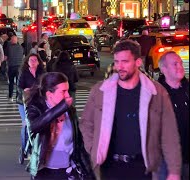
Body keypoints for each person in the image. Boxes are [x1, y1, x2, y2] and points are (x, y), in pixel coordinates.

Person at [79, 39, 182, 179]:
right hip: (110, 167)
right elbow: (86, 123)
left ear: (138, 62)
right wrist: (93, 149)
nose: (119, 66)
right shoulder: (100, 91)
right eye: (116, 61)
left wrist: (174, 171)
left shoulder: (156, 92)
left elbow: (169, 133)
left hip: (143, 168)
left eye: (125, 61)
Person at [25, 72, 95, 180]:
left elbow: (79, 145)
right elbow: (34, 126)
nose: (68, 95)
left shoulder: (70, 111)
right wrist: (61, 108)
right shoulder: (35, 108)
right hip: (45, 171)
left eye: (68, 90)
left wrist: (89, 173)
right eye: (63, 91)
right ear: (49, 94)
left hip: (68, 171)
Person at [157, 51, 189, 180]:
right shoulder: (156, 94)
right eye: (175, 64)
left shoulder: (187, 89)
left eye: (180, 63)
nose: (180, 67)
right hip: (167, 162)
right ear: (163, 69)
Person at [17, 53, 45, 161]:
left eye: (35, 60)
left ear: (38, 62)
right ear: (27, 62)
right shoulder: (23, 73)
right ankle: (25, 148)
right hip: (24, 101)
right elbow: (19, 86)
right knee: (26, 125)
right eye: (31, 60)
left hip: (38, 102)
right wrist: (24, 90)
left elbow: (45, 85)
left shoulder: (42, 73)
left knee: (40, 124)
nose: (33, 62)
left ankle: (38, 146)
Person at [6, 35, 24, 102]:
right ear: (17, 40)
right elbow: (23, 56)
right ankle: (17, 96)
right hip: (19, 67)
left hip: (11, 66)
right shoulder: (21, 48)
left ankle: (10, 97)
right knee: (18, 82)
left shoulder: (9, 48)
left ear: (11, 40)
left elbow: (6, 57)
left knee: (11, 82)